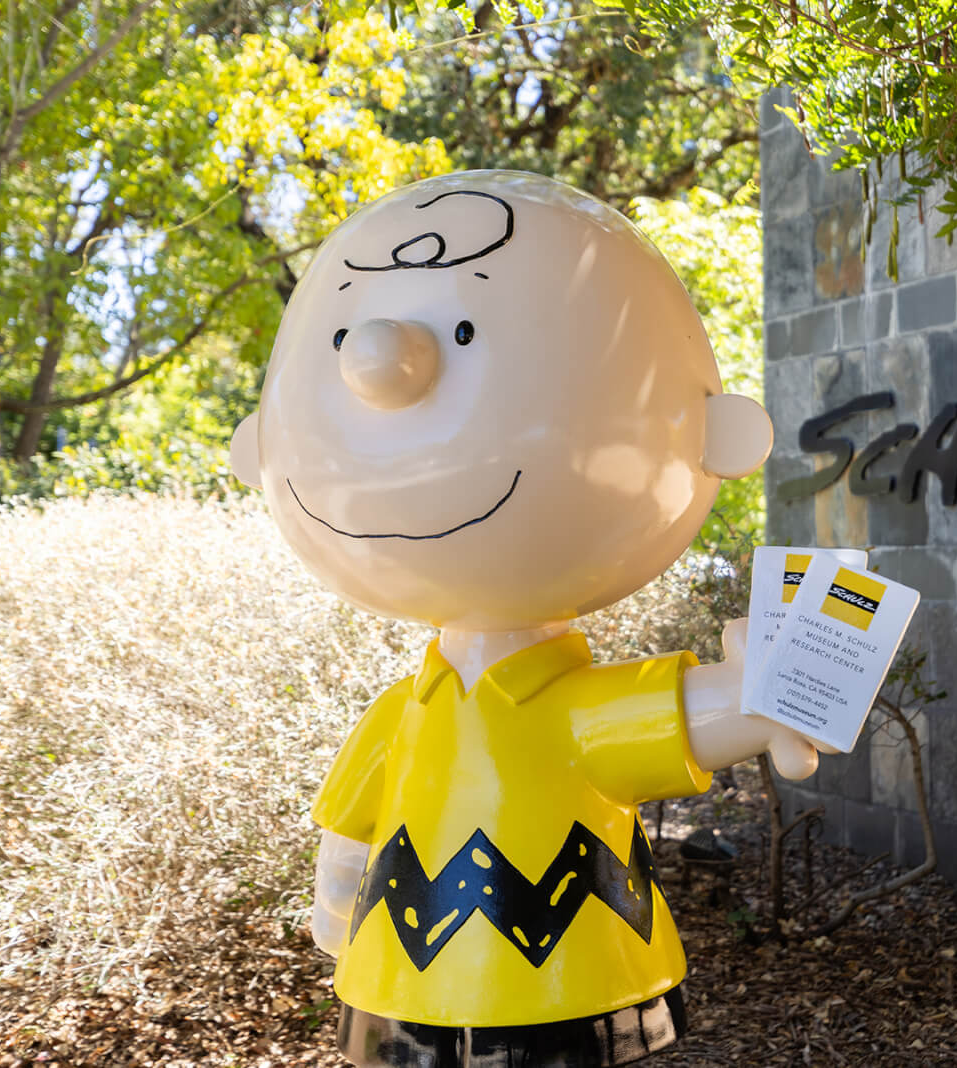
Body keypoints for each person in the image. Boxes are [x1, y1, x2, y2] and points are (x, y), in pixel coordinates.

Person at [228, 171, 822, 1068]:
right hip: (407, 988)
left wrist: (770, 693)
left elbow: (680, 719)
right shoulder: (406, 714)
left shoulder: (566, 710)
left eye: (464, 334)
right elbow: (348, 833)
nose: (379, 363)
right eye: (345, 335)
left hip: (569, 989)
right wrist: (336, 897)